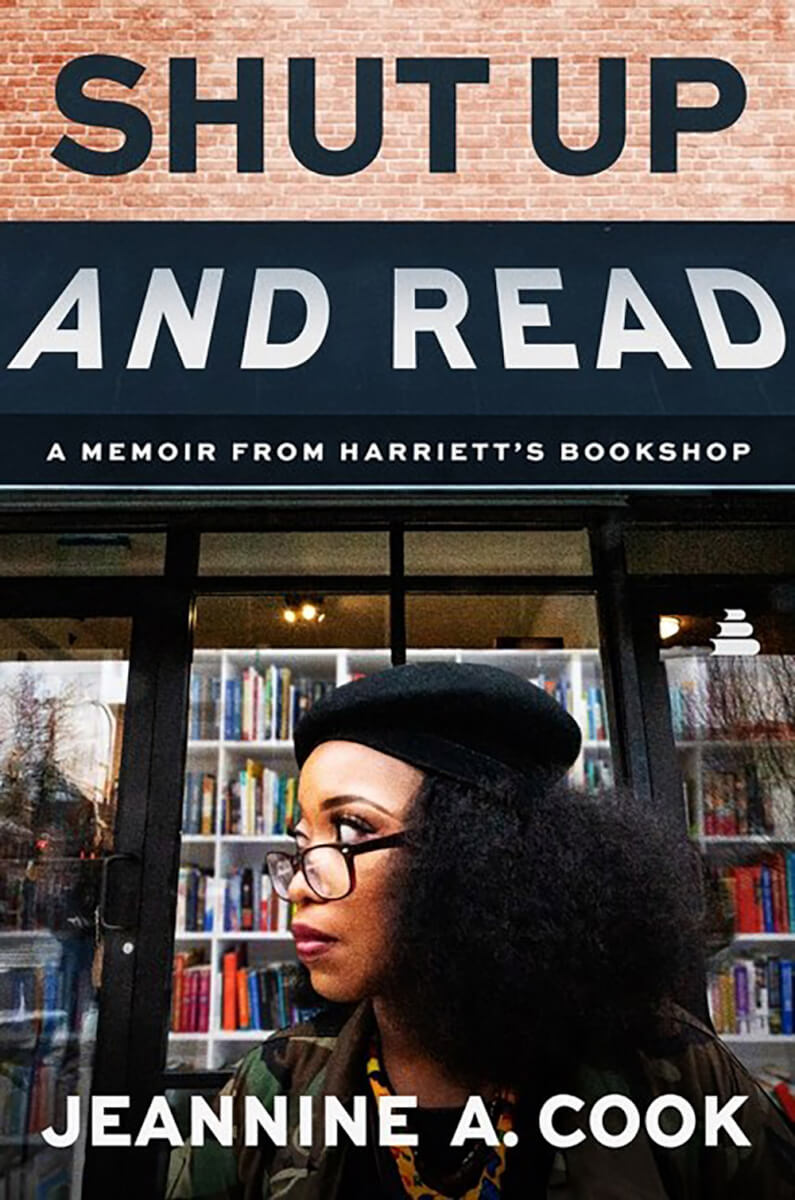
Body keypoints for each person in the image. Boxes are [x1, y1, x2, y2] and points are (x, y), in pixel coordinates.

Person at [167, 662, 795, 1199]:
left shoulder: (669, 1072)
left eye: (352, 829)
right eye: (303, 842)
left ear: (479, 857)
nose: (302, 883)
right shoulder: (269, 1092)